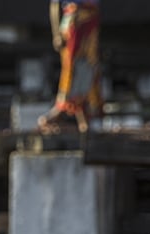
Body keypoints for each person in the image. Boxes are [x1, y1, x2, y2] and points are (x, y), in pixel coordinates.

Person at [38, 0, 103, 134]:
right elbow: (55, 3)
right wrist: (56, 33)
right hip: (74, 22)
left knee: (88, 68)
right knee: (73, 69)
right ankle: (61, 109)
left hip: (88, 21)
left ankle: (84, 118)